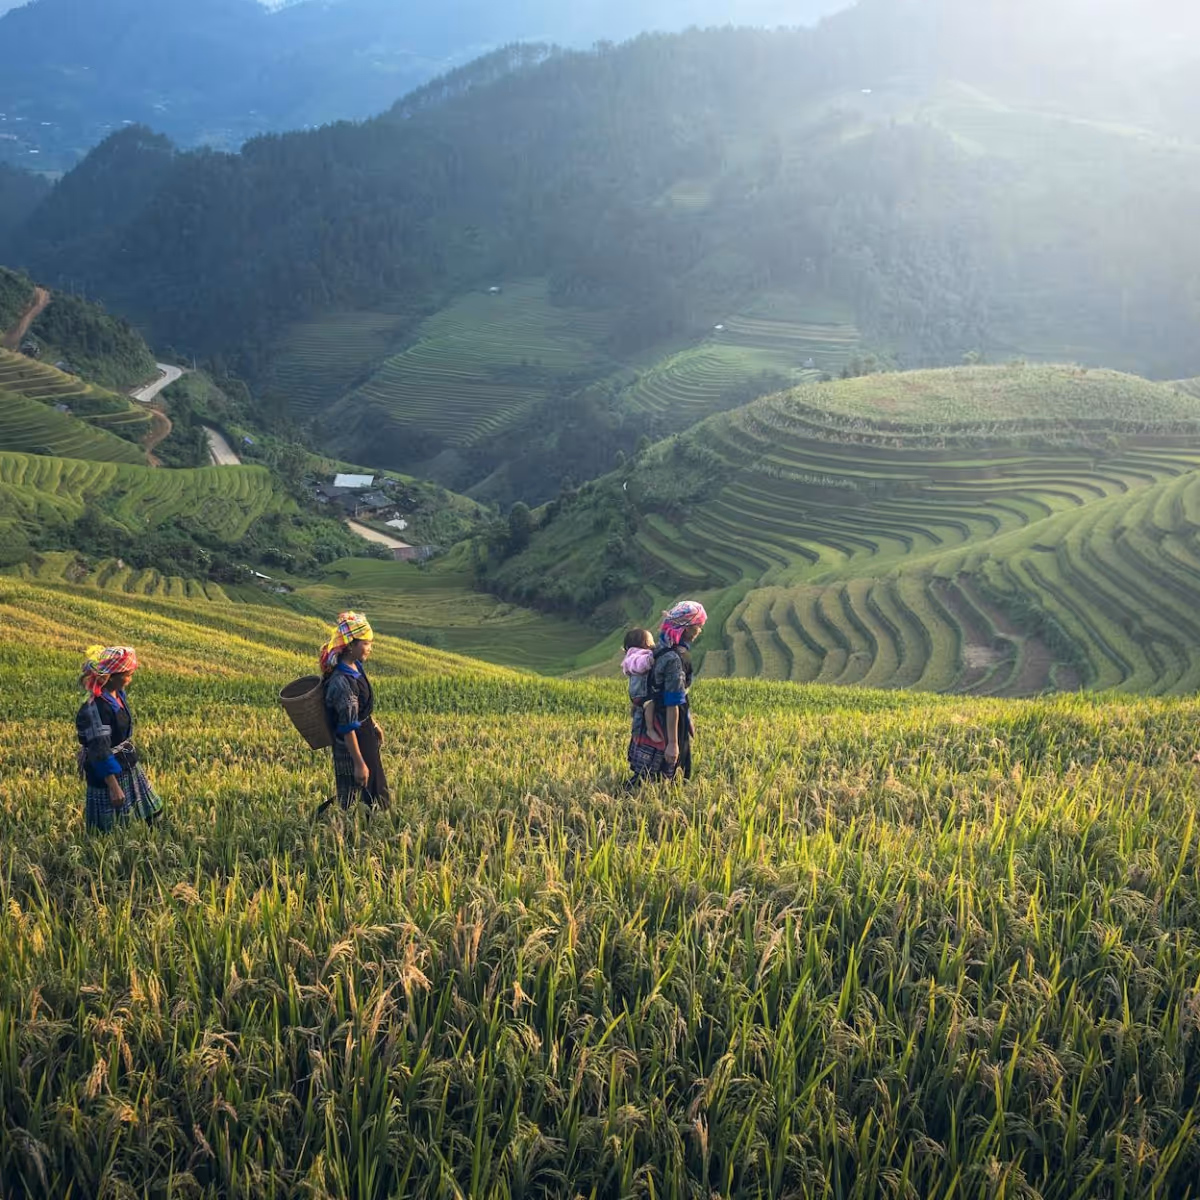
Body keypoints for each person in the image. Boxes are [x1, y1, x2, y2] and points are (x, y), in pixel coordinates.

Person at [76, 645, 164, 832]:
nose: (130, 678)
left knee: (153, 811)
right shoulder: (95, 709)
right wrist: (113, 785)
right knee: (107, 827)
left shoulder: (117, 695)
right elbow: (99, 749)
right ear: (111, 677)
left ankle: (155, 840)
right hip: (107, 771)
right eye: (128, 674)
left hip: (127, 762)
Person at [627, 601, 707, 786]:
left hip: (658, 716)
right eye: (698, 626)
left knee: (648, 775)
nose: (700, 631)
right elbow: (673, 701)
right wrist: (673, 743)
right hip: (666, 721)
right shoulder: (674, 659)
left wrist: (688, 718)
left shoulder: (661, 649)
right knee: (661, 778)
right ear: (686, 629)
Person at [320, 611, 389, 810]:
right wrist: (359, 763)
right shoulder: (342, 682)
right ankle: (346, 831)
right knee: (352, 792)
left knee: (375, 789)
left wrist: (373, 723)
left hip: (365, 734)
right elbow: (347, 727)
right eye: (366, 643)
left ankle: (372, 827)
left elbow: (360, 706)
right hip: (352, 744)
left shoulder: (355, 666)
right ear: (351, 645)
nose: (370, 648)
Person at [621, 628, 661, 745]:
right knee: (650, 704)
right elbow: (639, 664)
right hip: (641, 693)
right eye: (651, 641)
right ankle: (650, 729)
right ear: (645, 643)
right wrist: (648, 660)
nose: (653, 643)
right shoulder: (636, 656)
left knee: (641, 711)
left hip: (640, 693)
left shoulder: (636, 654)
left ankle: (639, 734)